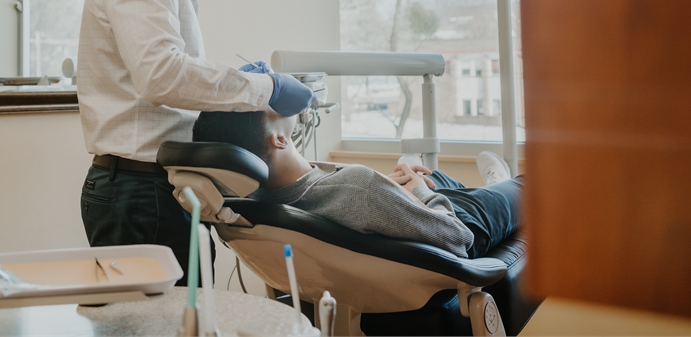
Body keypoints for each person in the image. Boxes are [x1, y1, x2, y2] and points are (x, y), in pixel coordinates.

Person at [76, 0, 315, 282]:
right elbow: (161, 75)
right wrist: (267, 88)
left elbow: (170, 71)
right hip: (137, 191)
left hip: (160, 186)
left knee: (190, 314)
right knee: (155, 319)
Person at [192, 109, 523, 259]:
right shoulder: (360, 189)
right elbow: (459, 238)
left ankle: (493, 186)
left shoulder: (256, 197)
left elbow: (333, 192)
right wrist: (416, 193)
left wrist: (388, 187)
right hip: (462, 223)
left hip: (412, 210)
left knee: (433, 176)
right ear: (279, 139)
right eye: (264, 103)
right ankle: (503, 184)